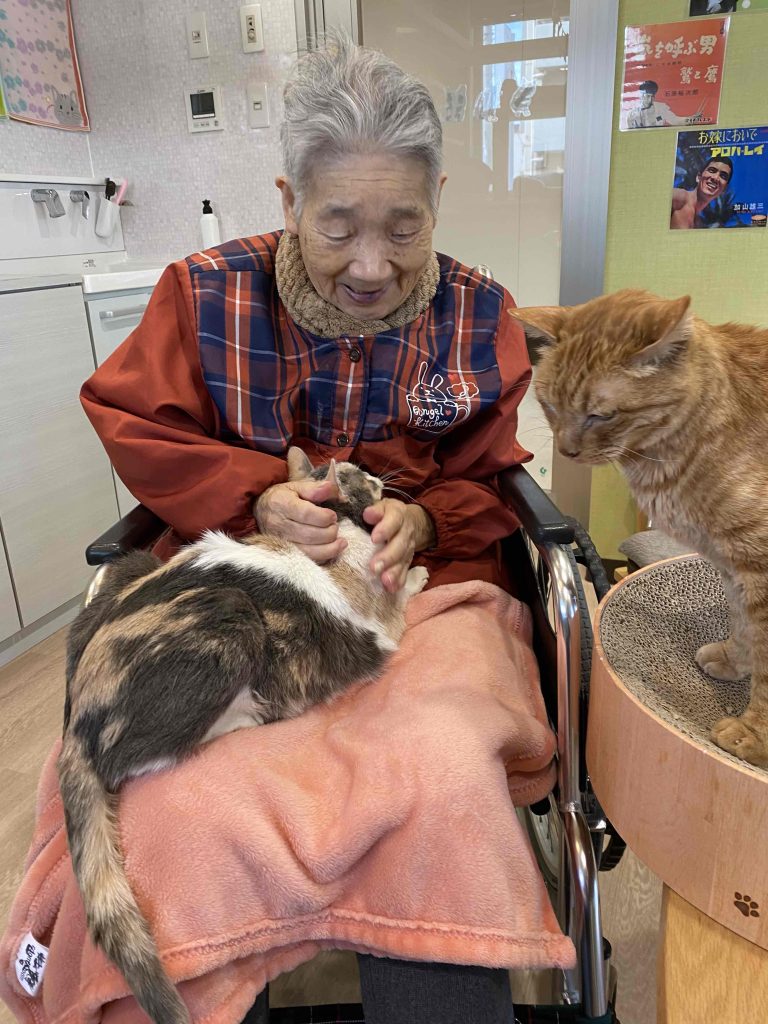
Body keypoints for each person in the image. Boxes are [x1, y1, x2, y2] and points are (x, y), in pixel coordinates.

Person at [81, 34, 533, 1024]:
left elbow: (490, 475)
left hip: (419, 597)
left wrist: (424, 515)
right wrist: (252, 496)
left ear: (438, 199)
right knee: (171, 800)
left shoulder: (476, 314)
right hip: (249, 593)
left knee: (439, 773)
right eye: (337, 227)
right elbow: (136, 420)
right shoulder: (204, 294)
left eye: (404, 227)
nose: (373, 267)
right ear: (289, 202)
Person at [670, 156, 733, 229]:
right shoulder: (679, 198)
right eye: (712, 171)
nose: (716, 178)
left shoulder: (699, 224)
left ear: (724, 189)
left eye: (723, 176)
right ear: (699, 177)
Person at [626, 79, 705, 129]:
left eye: (651, 96)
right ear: (641, 95)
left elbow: (676, 121)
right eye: (646, 96)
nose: (649, 99)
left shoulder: (661, 108)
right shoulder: (631, 114)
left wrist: (692, 118)